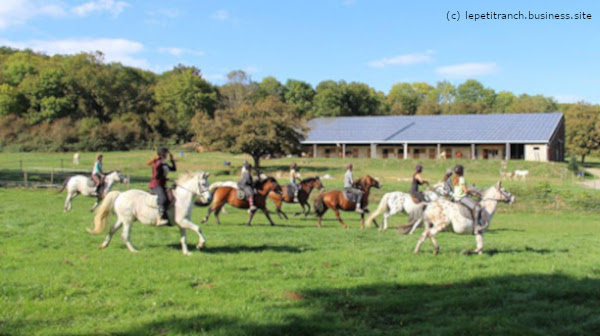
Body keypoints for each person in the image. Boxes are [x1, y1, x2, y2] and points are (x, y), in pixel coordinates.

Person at [148, 147, 177, 226]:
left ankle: (166, 217)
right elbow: (156, 176)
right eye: (166, 153)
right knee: (163, 199)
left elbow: (174, 169)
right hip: (156, 184)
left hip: (162, 184)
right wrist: (166, 178)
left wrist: (172, 160)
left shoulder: (164, 163)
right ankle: (159, 218)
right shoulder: (158, 163)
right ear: (162, 154)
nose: (167, 155)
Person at [452, 165, 483, 233]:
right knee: (477, 208)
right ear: (462, 171)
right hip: (462, 198)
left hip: (455, 198)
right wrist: (472, 190)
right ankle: (476, 227)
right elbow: (465, 190)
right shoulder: (462, 178)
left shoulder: (455, 178)